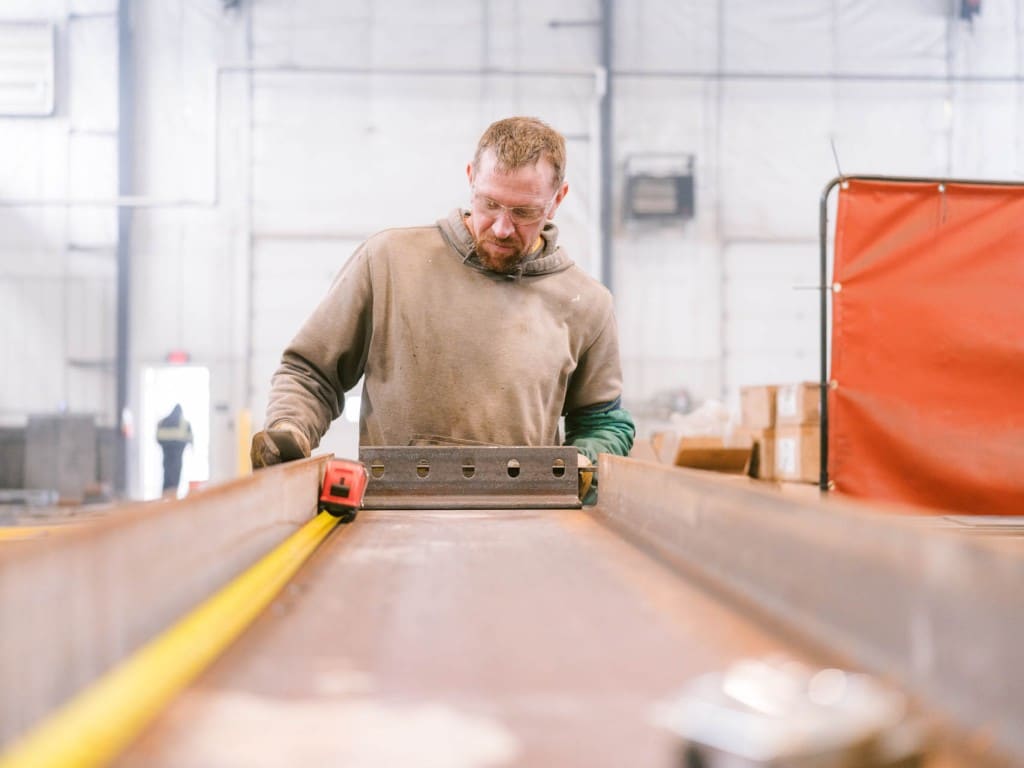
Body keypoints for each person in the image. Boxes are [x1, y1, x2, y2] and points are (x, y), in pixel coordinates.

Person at [250, 116, 634, 490]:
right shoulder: (388, 261)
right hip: (392, 518)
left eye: (523, 212)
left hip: (523, 526)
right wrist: (290, 428)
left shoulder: (586, 303)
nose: (502, 227)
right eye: (490, 204)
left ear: (557, 200)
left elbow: (603, 423)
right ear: (471, 178)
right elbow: (311, 372)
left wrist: (582, 464)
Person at [156, 404, 193, 497]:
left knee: (167, 470)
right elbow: (190, 437)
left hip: (166, 449)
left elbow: (158, 437)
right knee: (175, 470)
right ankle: (172, 491)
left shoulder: (163, 421)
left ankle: (166, 491)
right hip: (177, 450)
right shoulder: (184, 423)